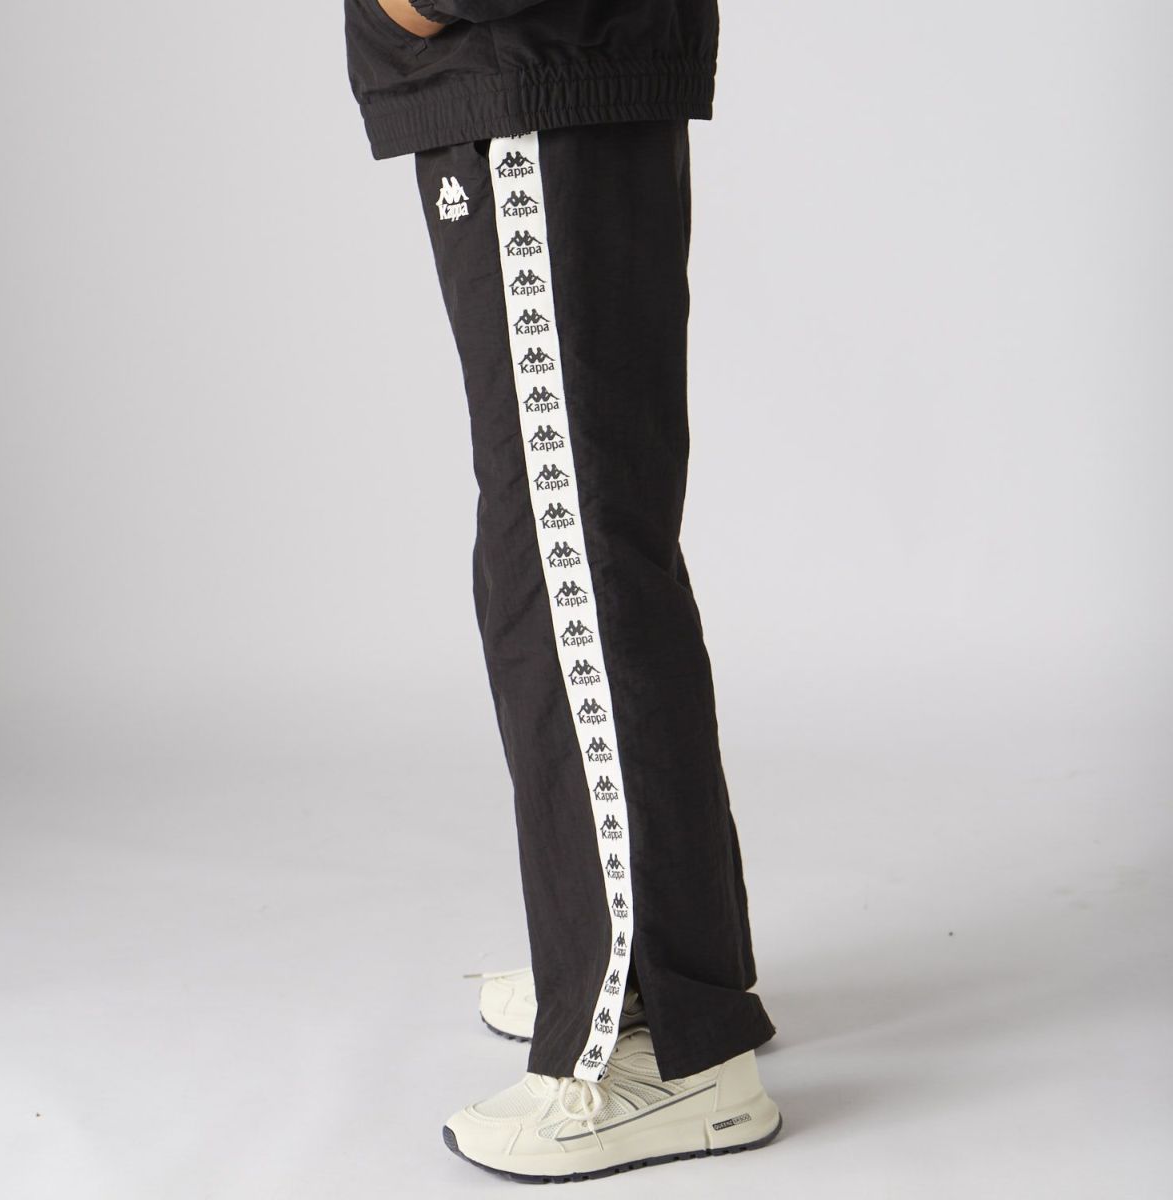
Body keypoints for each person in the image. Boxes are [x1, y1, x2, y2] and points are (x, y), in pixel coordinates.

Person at [343, 0, 781, 1180]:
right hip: (533, 64)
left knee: (566, 557)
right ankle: (663, 983)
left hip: (527, 57)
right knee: (576, 541)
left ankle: (664, 1056)